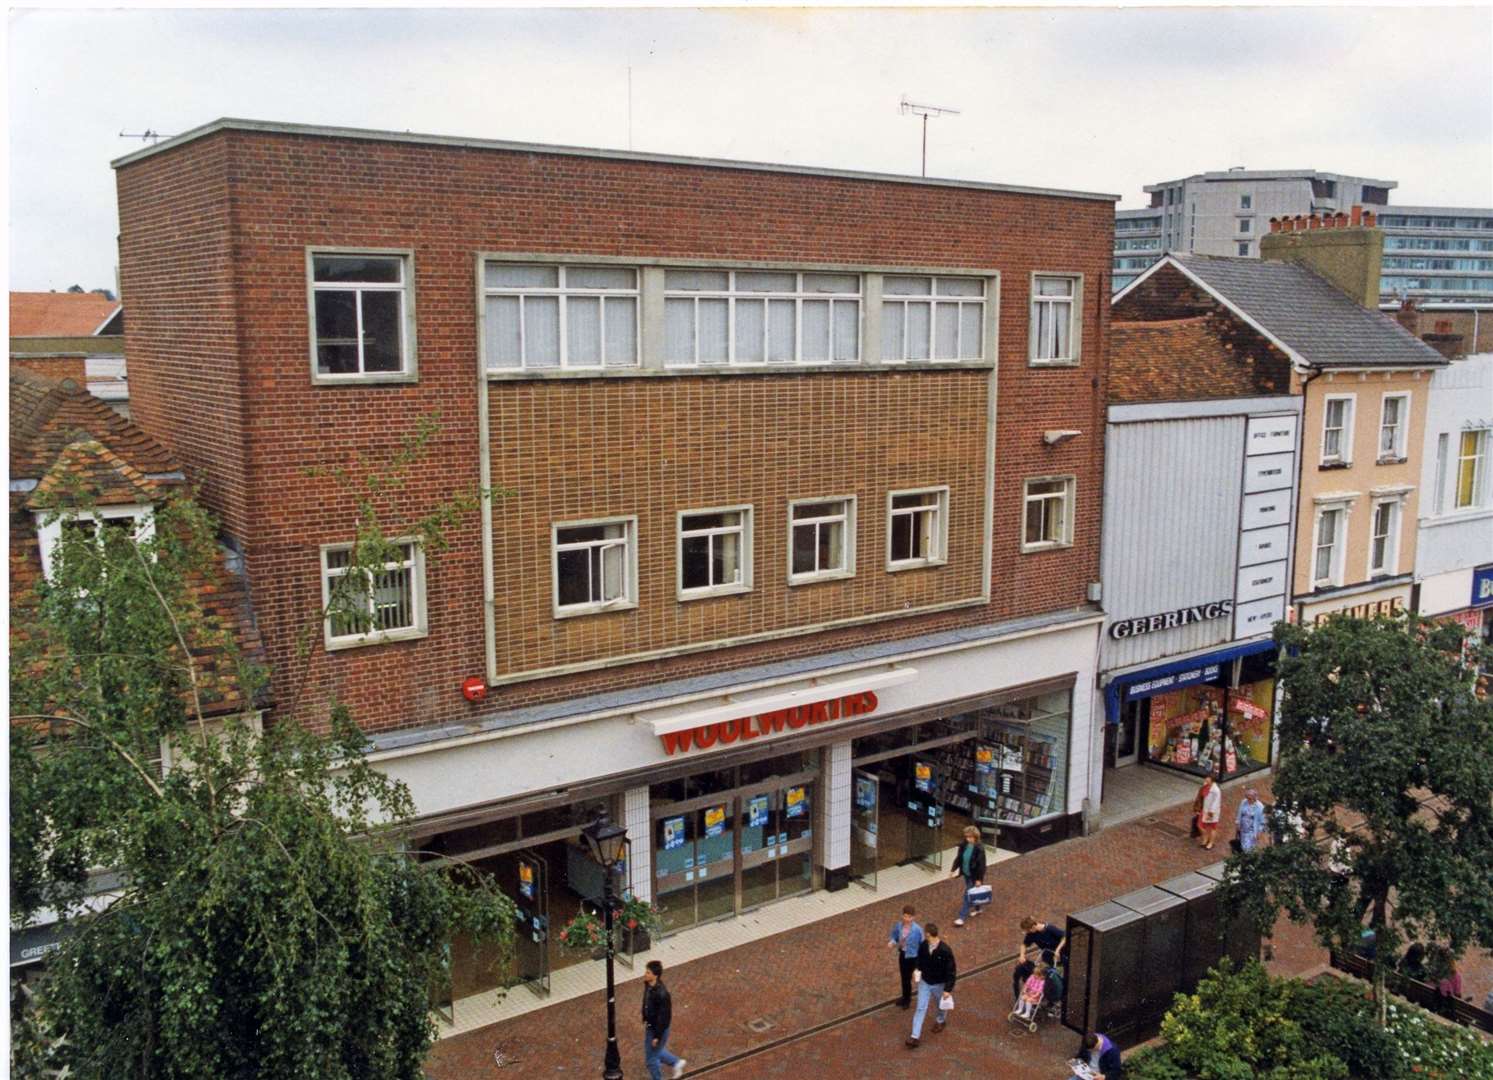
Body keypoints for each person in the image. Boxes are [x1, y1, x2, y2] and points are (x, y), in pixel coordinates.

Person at [905, 922, 956, 1048]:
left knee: (941, 1005)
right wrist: (916, 969)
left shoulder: (945, 950)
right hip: (925, 982)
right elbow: (919, 960)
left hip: (939, 984)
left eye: (925, 934)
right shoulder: (924, 945)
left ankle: (941, 1020)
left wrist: (947, 989)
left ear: (929, 935)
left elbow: (951, 971)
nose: (924, 936)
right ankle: (914, 1036)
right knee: (920, 1007)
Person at [641, 960, 686, 1080]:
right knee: (654, 1052)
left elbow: (664, 1017)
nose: (645, 974)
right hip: (651, 1026)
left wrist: (657, 1036)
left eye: (648, 972)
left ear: (655, 975)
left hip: (657, 1029)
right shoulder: (648, 984)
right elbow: (647, 1003)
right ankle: (676, 1062)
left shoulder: (662, 994)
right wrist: (645, 1017)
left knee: (651, 1060)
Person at [886, 903, 925, 1009]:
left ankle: (921, 998)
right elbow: (894, 936)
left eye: (909, 916)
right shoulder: (899, 925)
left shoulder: (917, 930)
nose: (907, 918)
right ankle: (906, 998)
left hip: (914, 957)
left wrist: (921, 961)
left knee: (917, 979)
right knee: (904, 978)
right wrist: (892, 942)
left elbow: (923, 945)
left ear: (913, 917)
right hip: (903, 955)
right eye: (905, 916)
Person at [949, 825, 987, 927]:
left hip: (974, 876)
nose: (968, 839)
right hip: (966, 873)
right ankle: (978, 909)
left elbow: (981, 866)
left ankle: (961, 917)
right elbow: (959, 858)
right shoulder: (964, 845)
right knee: (974, 893)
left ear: (975, 836)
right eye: (967, 837)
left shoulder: (980, 848)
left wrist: (979, 879)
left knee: (967, 895)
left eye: (970, 837)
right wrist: (953, 870)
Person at [1235, 788, 1266, 852]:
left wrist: (1259, 832)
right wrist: (1238, 823)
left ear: (1254, 798)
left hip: (1252, 831)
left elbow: (1262, 821)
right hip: (1243, 829)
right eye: (1247, 798)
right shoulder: (1243, 802)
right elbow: (1239, 813)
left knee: (1250, 848)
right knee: (1243, 845)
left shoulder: (1260, 806)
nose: (1248, 800)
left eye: (1250, 798)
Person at [1197, 775, 1221, 851]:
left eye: (1208, 780)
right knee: (1200, 825)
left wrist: (1211, 812)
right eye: (1206, 779)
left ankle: (1211, 842)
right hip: (1205, 809)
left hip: (1212, 811)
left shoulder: (1216, 790)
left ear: (1212, 781)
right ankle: (1205, 839)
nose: (1206, 781)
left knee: (1212, 827)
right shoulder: (1205, 786)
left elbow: (1216, 802)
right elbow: (1201, 796)